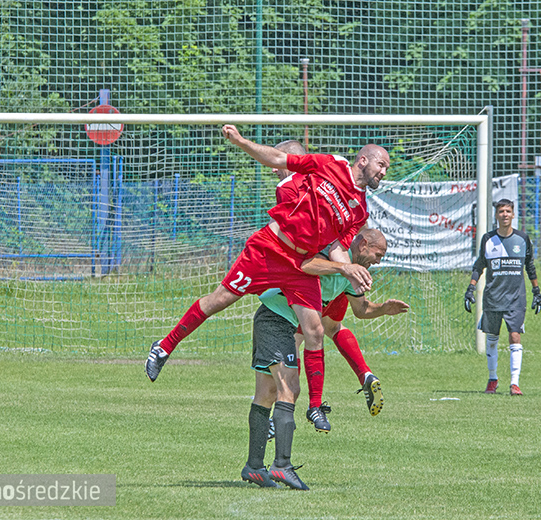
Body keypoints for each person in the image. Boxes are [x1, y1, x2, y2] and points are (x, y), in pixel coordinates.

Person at [145, 125, 390, 388]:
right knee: (220, 300)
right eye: (381, 164)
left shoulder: (360, 210)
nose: (384, 172)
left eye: (387, 168)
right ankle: (164, 346)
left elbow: (337, 248)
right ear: (363, 160)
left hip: (301, 266)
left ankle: (316, 408)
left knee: (315, 330)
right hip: (269, 249)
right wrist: (240, 141)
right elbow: (278, 159)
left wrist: (349, 270)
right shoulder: (330, 164)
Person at [260, 229, 410, 432]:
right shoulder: (333, 252)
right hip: (274, 316)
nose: (378, 262)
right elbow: (306, 264)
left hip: (290, 320)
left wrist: (383, 309)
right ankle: (277, 426)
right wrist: (343, 268)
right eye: (378, 255)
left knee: (287, 387)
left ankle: (280, 429)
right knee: (278, 387)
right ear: (363, 244)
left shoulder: (353, 271)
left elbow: (361, 309)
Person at [464, 199, 541, 396]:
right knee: (492, 338)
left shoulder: (522, 239)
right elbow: (479, 265)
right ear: (497, 215)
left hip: (516, 299)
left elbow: (530, 267)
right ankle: (492, 379)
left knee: (515, 335)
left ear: (513, 215)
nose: (505, 214)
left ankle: (515, 383)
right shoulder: (488, 239)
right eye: (501, 211)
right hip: (493, 297)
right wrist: (470, 289)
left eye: (508, 211)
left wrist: (537, 292)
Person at [241, 298, 308, 490]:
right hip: (275, 322)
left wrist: (383, 309)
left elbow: (361, 309)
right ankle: (282, 464)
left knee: (266, 393)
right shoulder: (333, 272)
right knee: (289, 389)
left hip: (277, 323)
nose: (375, 265)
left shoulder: (345, 281)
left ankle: (254, 466)